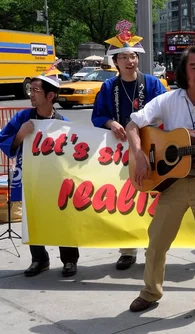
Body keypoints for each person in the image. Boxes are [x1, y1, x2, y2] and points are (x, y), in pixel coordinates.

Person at [125, 45, 195, 320]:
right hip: (172, 183)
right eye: (194, 67)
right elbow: (133, 124)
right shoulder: (168, 100)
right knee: (157, 240)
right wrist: (139, 155)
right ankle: (150, 292)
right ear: (184, 73)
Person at [91, 20, 167, 271]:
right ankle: (127, 249)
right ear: (116, 62)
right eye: (123, 57)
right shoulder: (108, 87)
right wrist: (112, 122)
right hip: (118, 152)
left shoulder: (153, 84)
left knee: (148, 198)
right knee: (123, 199)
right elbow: (97, 116)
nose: (129, 61)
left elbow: (163, 112)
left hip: (148, 149)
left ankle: (151, 247)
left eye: (132, 56)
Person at [0, 66, 79, 277]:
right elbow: (5, 141)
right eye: (31, 90)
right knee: (32, 218)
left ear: (50, 95)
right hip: (31, 179)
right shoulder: (23, 118)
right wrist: (21, 134)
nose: (31, 94)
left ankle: (69, 260)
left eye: (36, 90)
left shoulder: (63, 124)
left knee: (64, 218)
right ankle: (39, 259)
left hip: (56, 180)